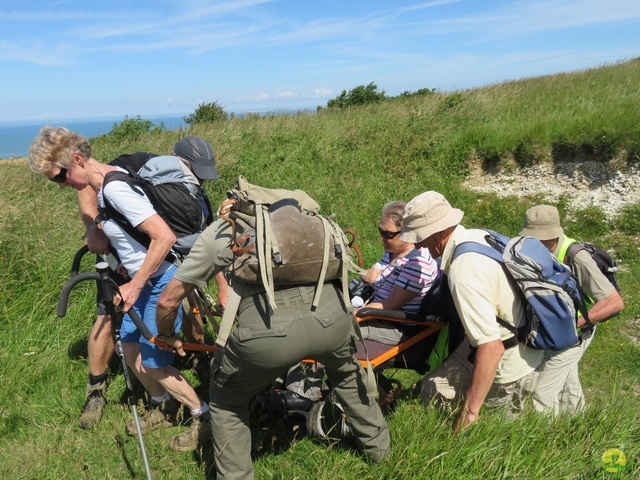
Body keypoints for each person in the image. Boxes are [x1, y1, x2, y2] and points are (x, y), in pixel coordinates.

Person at [155, 217, 391, 479]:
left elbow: (167, 301)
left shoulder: (226, 228)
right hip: (333, 319)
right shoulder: (309, 220)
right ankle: (379, 451)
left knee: (227, 400)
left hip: (267, 333)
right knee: (347, 375)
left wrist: (167, 335)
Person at [28, 127, 210, 452]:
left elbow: (164, 237)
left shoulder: (114, 190)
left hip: (159, 284)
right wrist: (129, 266)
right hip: (142, 281)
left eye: (60, 176)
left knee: (153, 364)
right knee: (129, 349)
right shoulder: (103, 188)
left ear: (78, 159)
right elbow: (135, 237)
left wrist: (135, 283)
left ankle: (203, 416)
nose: (61, 185)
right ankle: (163, 406)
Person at [74, 137, 228, 430]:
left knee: (156, 358)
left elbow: (199, 236)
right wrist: (94, 228)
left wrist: (222, 285)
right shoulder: (130, 169)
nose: (196, 180)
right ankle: (153, 403)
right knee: (126, 343)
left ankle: (201, 411)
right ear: (175, 158)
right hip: (131, 269)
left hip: (157, 272)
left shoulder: (181, 186)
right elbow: (87, 188)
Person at [399, 191, 544, 432]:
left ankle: (466, 441)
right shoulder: (479, 236)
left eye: (419, 237)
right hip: (511, 334)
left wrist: (470, 413)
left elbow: (491, 347)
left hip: (508, 359)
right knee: (430, 391)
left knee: (495, 433)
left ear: (438, 232)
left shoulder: (463, 270)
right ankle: (435, 431)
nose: (417, 244)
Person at [520, 205, 624, 414]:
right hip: (553, 328)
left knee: (544, 391)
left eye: (540, 239)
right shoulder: (532, 248)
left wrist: (575, 324)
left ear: (554, 237)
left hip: (575, 331)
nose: (535, 243)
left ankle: (546, 441)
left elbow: (614, 302)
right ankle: (579, 429)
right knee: (568, 383)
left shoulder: (576, 256)